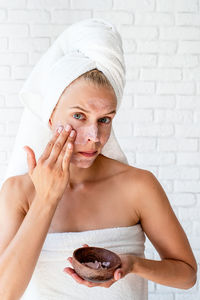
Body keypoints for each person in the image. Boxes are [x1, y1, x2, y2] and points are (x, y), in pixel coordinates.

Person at [0, 19, 197, 300]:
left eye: (104, 119)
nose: (94, 136)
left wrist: (133, 264)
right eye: (78, 116)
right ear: (50, 115)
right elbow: (5, 293)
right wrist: (46, 198)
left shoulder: (138, 185)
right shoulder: (18, 193)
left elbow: (187, 275)